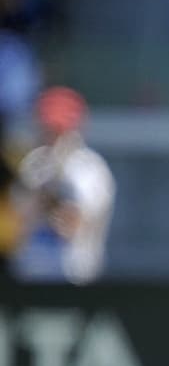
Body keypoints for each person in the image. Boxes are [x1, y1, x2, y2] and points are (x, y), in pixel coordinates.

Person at [12, 86, 116, 283]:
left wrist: (58, 184)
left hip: (73, 278)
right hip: (30, 275)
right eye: (47, 128)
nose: (52, 136)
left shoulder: (91, 169)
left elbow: (73, 224)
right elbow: (21, 217)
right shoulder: (34, 163)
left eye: (58, 130)